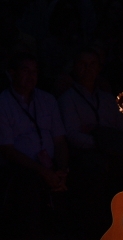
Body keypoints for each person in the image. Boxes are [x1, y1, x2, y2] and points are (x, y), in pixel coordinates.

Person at [57, 47, 123, 239]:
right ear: (74, 67)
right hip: (87, 159)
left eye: (92, 64)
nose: (87, 69)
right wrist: (101, 140)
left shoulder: (107, 99)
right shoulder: (68, 98)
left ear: (99, 68)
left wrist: (100, 135)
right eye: (83, 64)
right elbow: (72, 134)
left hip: (113, 155)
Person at [0, 51, 69, 239]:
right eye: (25, 71)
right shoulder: (4, 103)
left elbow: (59, 140)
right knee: (30, 188)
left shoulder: (47, 100)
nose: (31, 76)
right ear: (12, 73)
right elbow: (7, 149)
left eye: (34, 72)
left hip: (49, 164)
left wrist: (62, 170)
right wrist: (43, 171)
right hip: (21, 168)